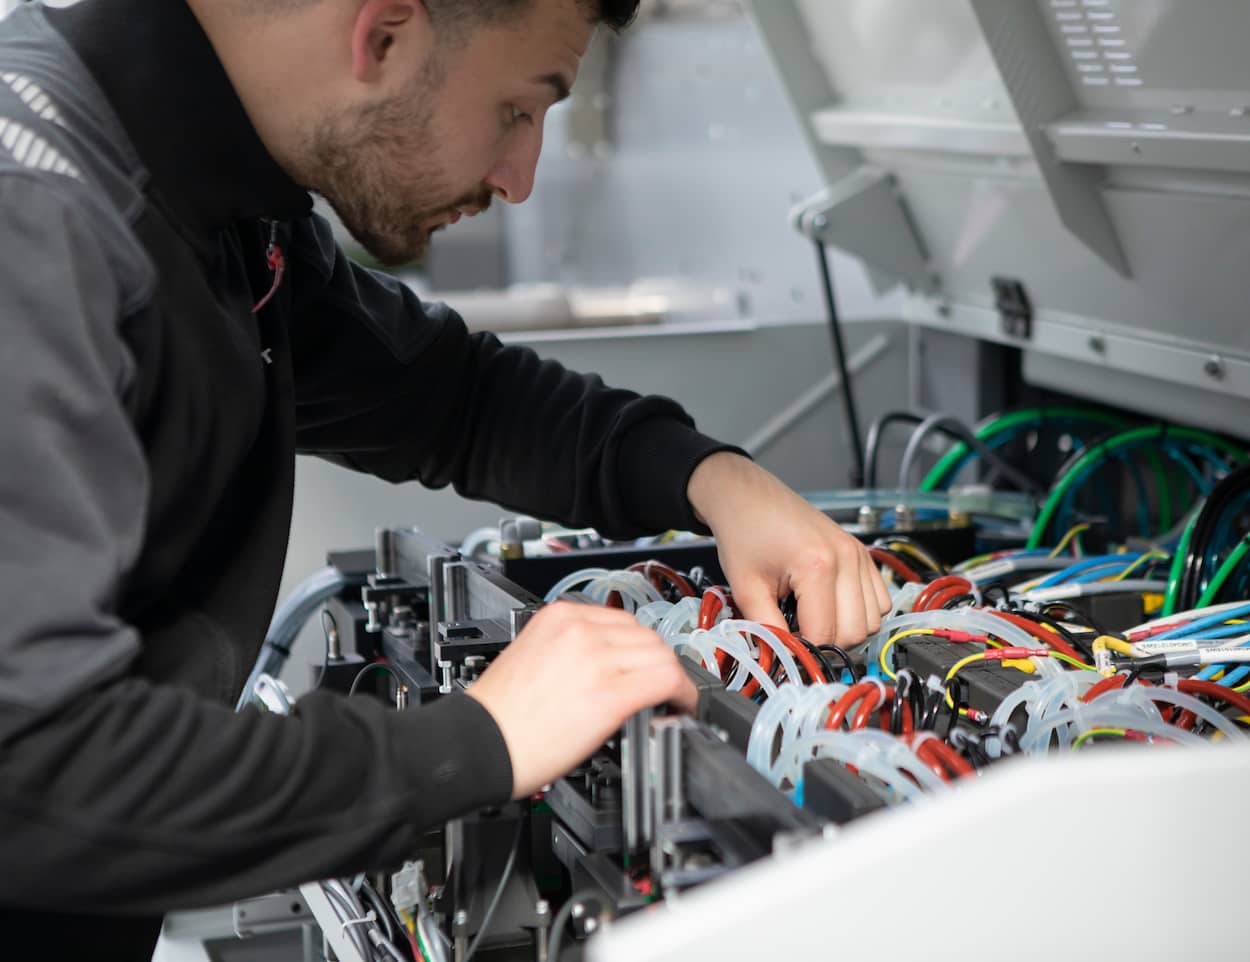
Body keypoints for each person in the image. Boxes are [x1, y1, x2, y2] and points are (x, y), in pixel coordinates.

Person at [0, 0, 890, 956]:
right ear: (383, 35)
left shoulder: (216, 194)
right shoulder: (37, 220)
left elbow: (453, 399)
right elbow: (33, 769)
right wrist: (479, 741)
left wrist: (714, 480)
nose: (519, 177)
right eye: (518, 109)